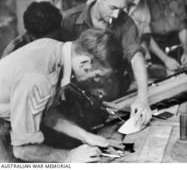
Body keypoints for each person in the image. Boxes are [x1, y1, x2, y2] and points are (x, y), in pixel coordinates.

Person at [0, 29, 124, 162]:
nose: (94, 80)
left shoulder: (53, 49)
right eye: (97, 75)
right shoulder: (38, 79)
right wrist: (68, 156)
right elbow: (23, 150)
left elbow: (46, 113)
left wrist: (86, 136)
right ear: (85, 63)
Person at [61, 0, 151, 125]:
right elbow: (63, 59)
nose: (116, 15)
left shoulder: (126, 23)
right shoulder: (70, 19)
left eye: (121, 9)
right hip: (79, 94)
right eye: (113, 8)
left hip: (114, 94)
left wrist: (142, 98)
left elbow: (136, 57)